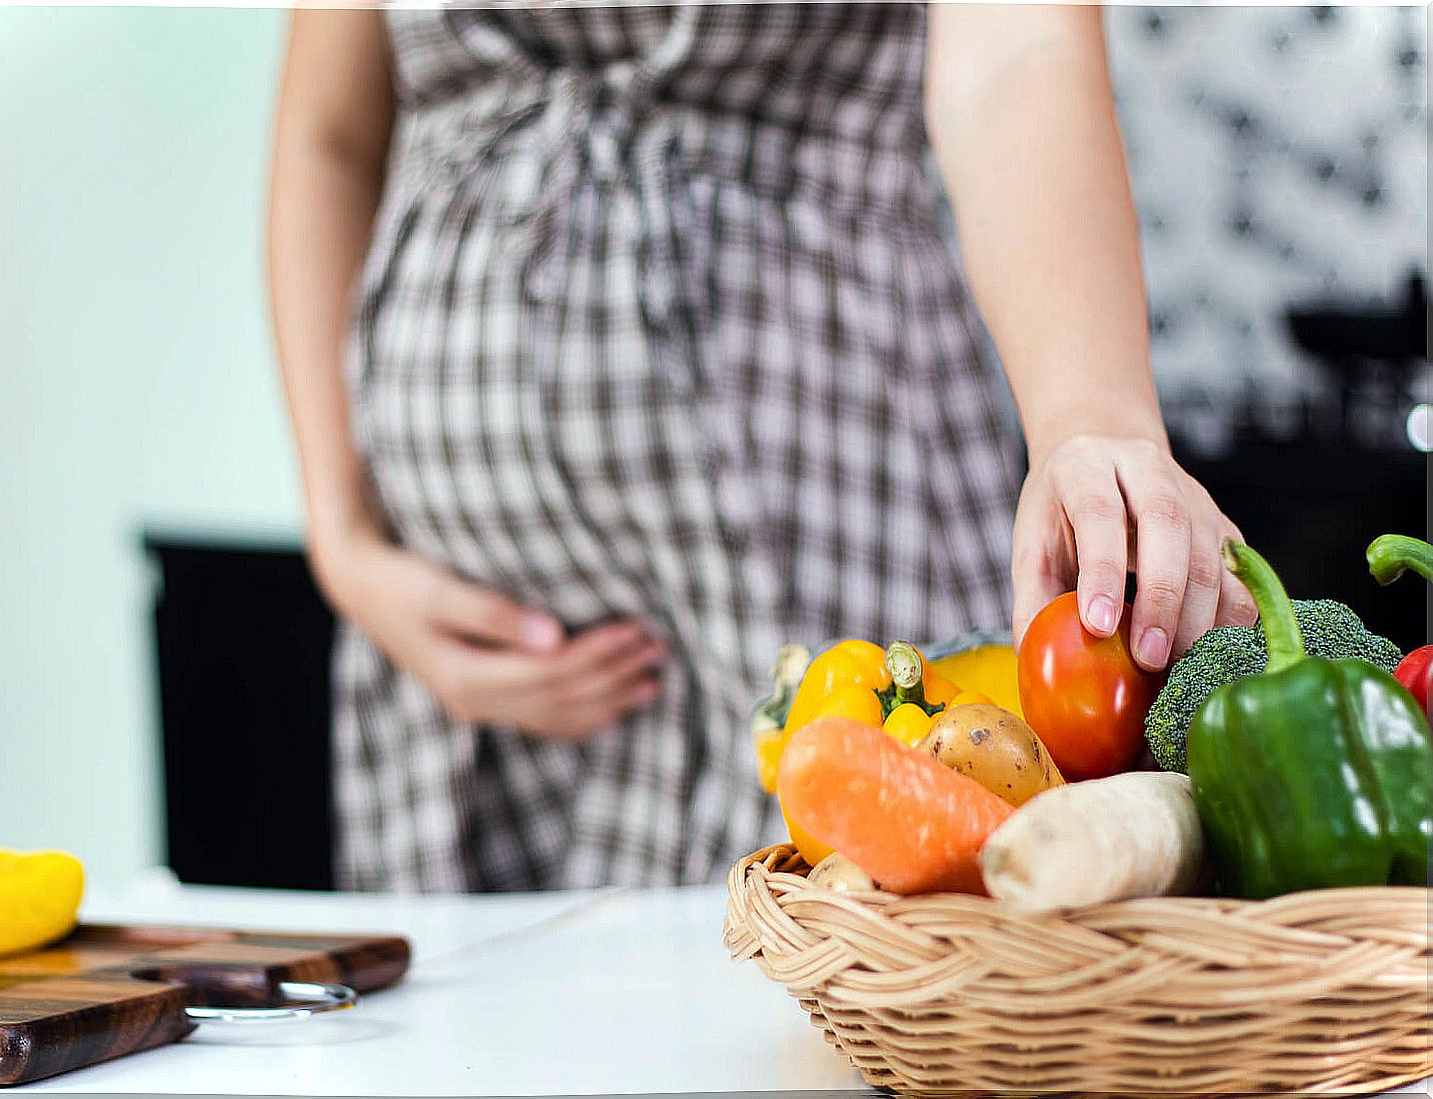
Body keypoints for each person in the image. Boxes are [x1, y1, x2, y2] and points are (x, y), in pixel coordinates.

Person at [267, 4, 1254, 893]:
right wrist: (342, 537)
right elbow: (330, 135)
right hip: (459, 682)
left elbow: (1019, 52)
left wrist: (1092, 418)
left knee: (851, 1007)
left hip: (825, 551)